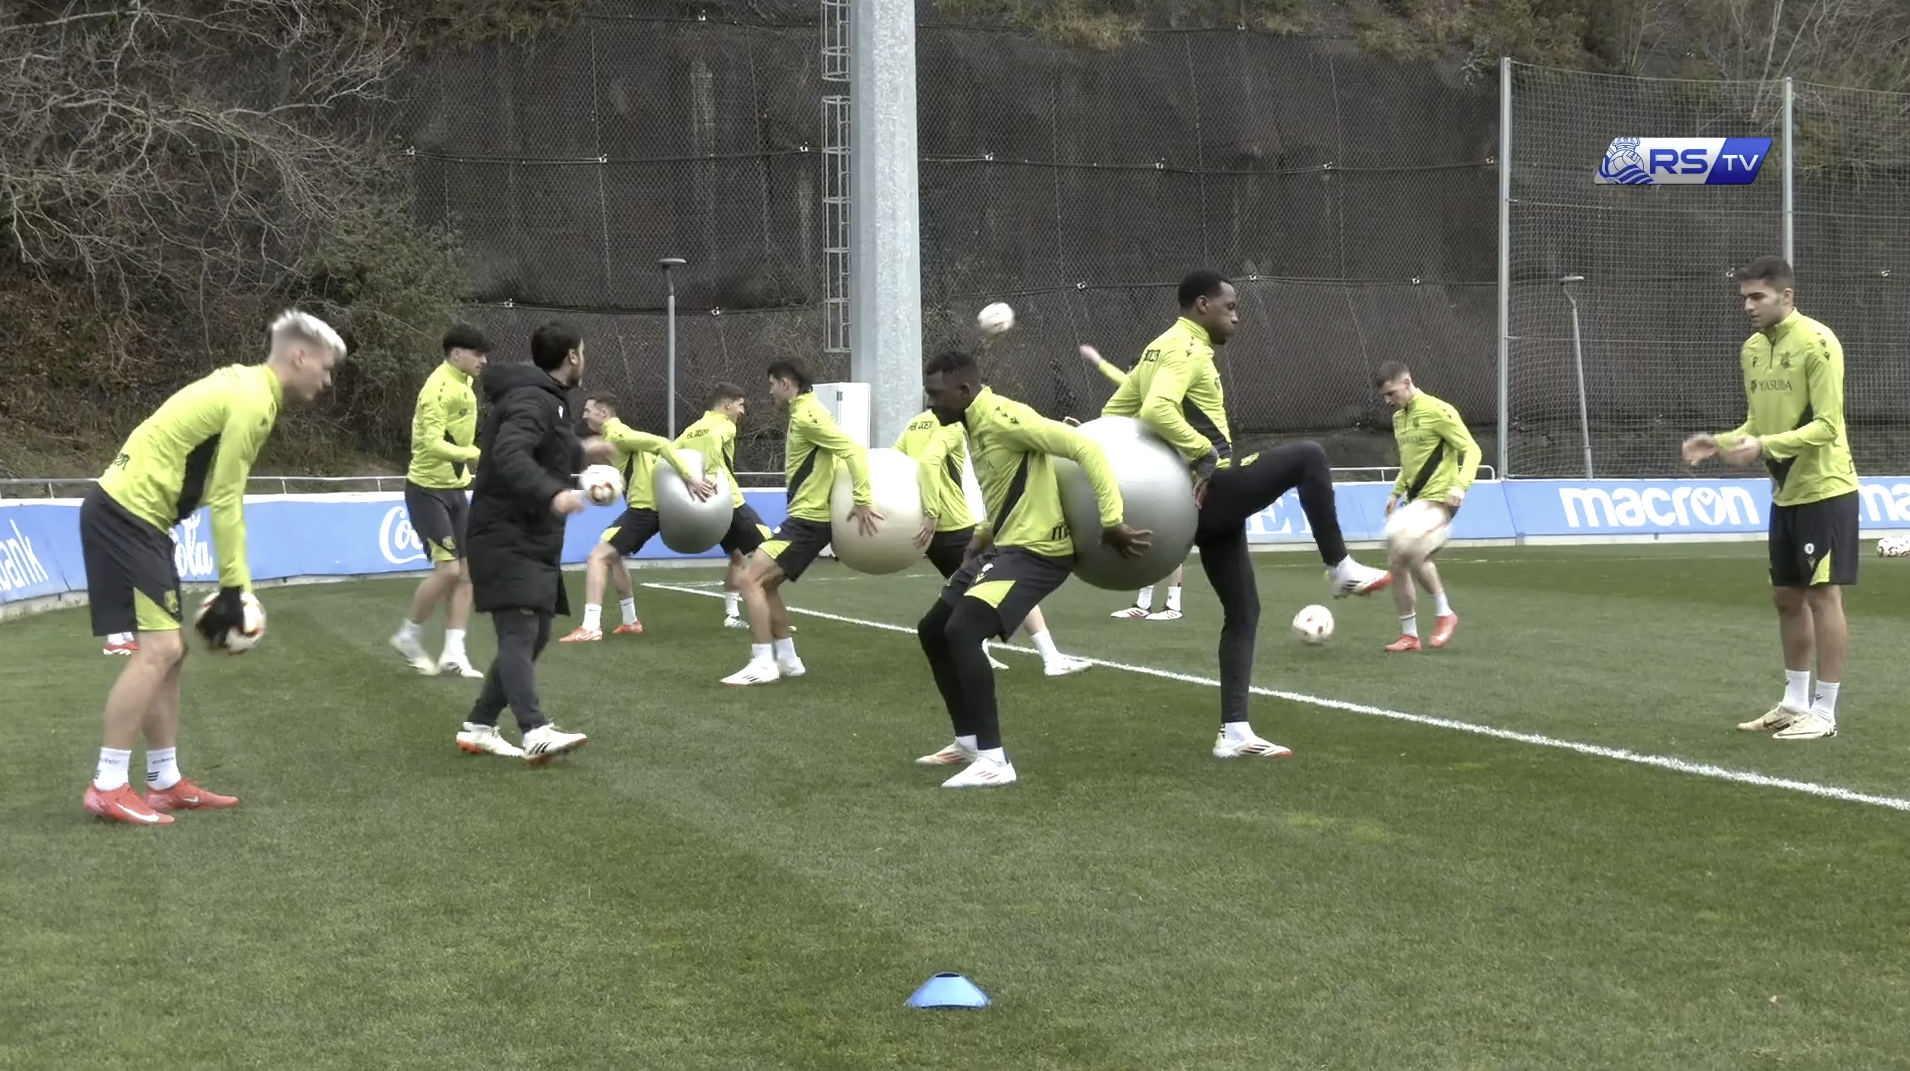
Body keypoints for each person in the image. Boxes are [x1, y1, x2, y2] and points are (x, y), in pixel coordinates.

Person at [1092, 269, 1390, 760]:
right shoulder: (1184, 348)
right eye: (1230, 307)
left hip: (1200, 504)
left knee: (1244, 611)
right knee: (1309, 457)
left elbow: (1114, 416)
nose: (1237, 317)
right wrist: (1201, 453)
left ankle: (1234, 732)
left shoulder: (1158, 348)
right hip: (1211, 489)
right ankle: (1340, 567)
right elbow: (1156, 411)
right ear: (1202, 305)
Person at [79, 310, 344, 825]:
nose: (328, 379)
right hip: (127, 515)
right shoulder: (254, 399)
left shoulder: (249, 387)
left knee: (171, 653)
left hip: (140, 517)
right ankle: (107, 785)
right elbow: (226, 495)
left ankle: (163, 782)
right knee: (159, 650)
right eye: (326, 367)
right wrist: (234, 588)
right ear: (300, 356)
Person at [913, 350, 1146, 787]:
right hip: (1005, 548)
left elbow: (1085, 447)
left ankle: (995, 761)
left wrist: (1112, 520)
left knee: (963, 630)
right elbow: (1010, 486)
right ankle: (968, 742)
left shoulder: (1005, 417)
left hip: (1039, 551)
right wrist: (983, 534)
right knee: (933, 630)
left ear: (964, 390)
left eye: (936, 394)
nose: (931, 403)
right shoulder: (971, 424)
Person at [1683, 255, 1858, 742]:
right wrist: (1719, 442)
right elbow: (1757, 424)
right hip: (1785, 491)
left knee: (1823, 596)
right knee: (1786, 597)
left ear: (1787, 296)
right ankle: (1794, 703)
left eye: (1757, 296)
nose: (1748, 305)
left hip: (1826, 488)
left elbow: (1827, 426)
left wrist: (1763, 446)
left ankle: (1824, 712)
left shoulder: (1818, 342)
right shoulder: (1753, 350)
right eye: (1744, 297)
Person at [455, 321, 602, 762]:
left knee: (535, 634)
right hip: (506, 533)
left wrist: (584, 452)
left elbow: (545, 444)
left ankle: (480, 725)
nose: (584, 358)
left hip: (530, 535)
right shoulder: (532, 398)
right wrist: (552, 493)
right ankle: (534, 730)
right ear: (572, 356)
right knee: (519, 632)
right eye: (583, 351)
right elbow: (509, 453)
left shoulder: (547, 400)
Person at [895, 406, 1092, 676]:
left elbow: (895, 463)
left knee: (972, 592)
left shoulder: (914, 424)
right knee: (1009, 580)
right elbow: (932, 460)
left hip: (931, 533)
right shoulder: (952, 425)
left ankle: (986, 650)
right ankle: (1049, 657)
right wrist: (932, 511)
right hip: (956, 525)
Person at [721, 359, 878, 686]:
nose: (770, 391)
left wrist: (863, 500)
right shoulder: (805, 411)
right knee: (766, 585)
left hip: (808, 521)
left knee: (749, 580)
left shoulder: (808, 415)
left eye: (772, 384)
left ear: (785, 383)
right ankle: (790, 661)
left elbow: (853, 450)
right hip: (804, 519)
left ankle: (763, 663)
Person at [558, 392, 713, 642]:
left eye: (588, 411)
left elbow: (663, 444)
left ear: (603, 413)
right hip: (642, 509)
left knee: (597, 557)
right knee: (613, 555)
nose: (584, 416)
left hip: (644, 511)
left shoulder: (618, 433)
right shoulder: (615, 435)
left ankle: (591, 627)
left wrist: (690, 477)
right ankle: (630, 622)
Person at [390, 325, 489, 677]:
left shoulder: (466, 382)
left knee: (466, 573)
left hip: (456, 490)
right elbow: (431, 443)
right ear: (456, 354)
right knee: (448, 570)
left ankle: (454, 655)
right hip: (427, 491)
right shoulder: (436, 389)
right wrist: (474, 454)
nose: (483, 360)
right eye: (478, 354)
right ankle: (409, 635)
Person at [1079, 348, 1190, 622]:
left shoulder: (1160, 398)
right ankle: (1143, 604)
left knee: (1170, 538)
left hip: (1171, 477)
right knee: (1147, 534)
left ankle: (1173, 606)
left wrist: (1099, 361)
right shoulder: (1139, 398)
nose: (1130, 380)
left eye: (1135, 374)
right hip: (1149, 477)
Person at [1375, 361, 1479, 652]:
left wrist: (1460, 485)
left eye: (1392, 393)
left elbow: (1471, 449)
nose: (1388, 401)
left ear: (1407, 383)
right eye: (1384, 396)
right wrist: (1395, 493)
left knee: (1410, 545)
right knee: (1396, 560)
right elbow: (1410, 462)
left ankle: (1445, 614)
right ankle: (1410, 635)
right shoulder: (1399, 418)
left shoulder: (1438, 410)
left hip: (1441, 499)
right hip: (1416, 501)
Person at [672, 383, 774, 630]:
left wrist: (687, 481)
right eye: (740, 405)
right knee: (772, 549)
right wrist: (710, 473)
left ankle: (731, 615)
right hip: (730, 501)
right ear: (727, 404)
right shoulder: (725, 425)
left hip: (708, 506)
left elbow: (670, 453)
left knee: (737, 556)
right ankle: (769, 613)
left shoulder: (692, 430)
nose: (742, 412)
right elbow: (714, 441)